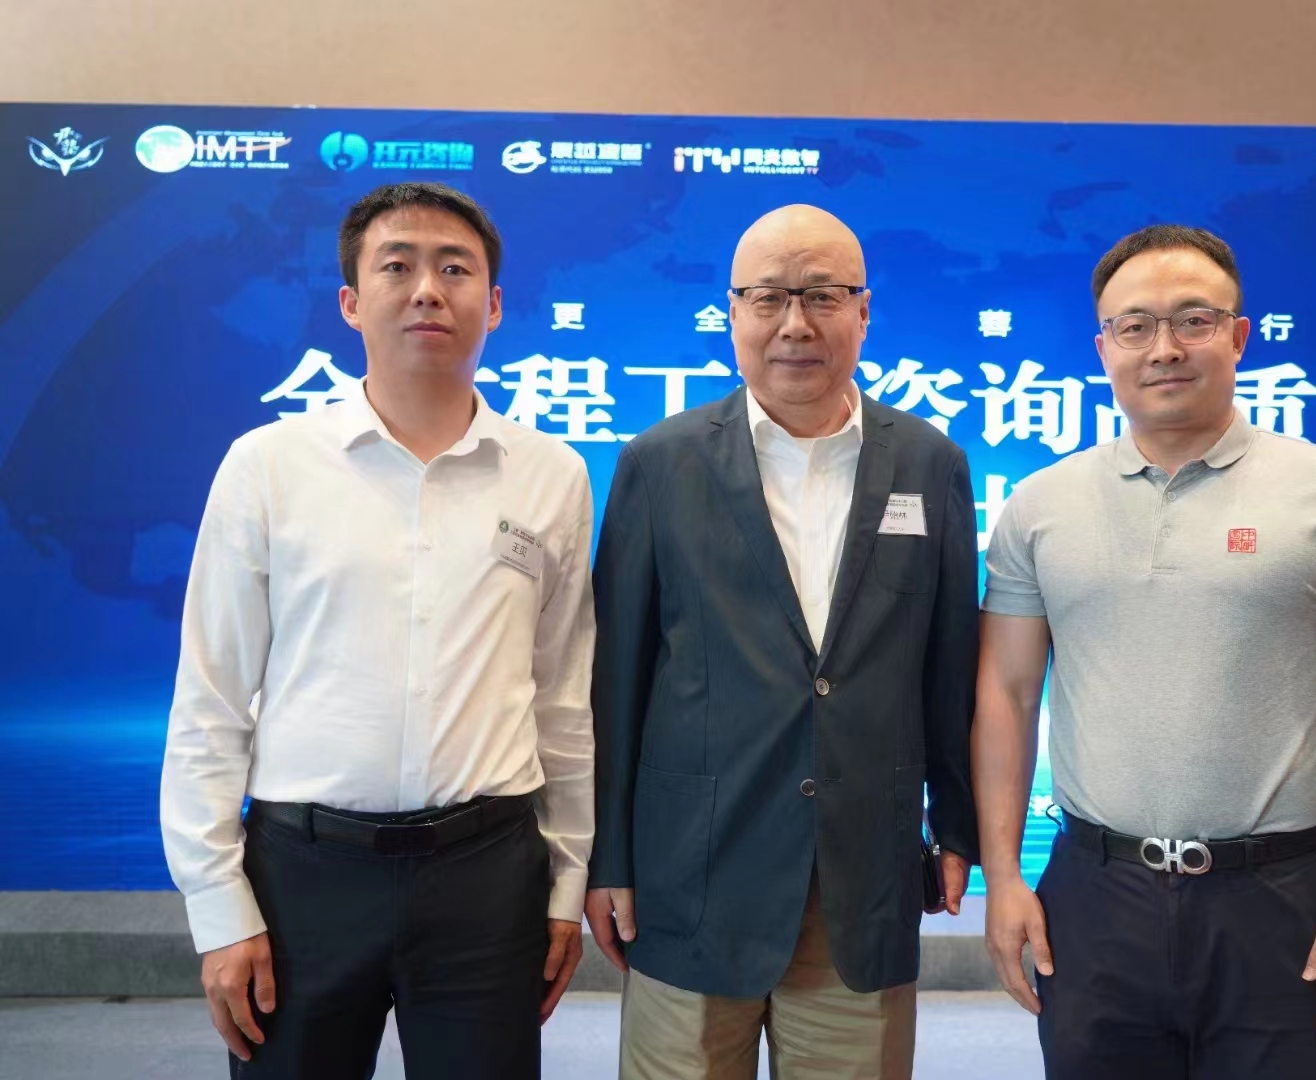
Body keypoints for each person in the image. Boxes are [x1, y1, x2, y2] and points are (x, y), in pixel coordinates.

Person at [975, 224, 1316, 1078]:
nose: (1164, 348)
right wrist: (1002, 877)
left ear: (1239, 336)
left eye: (1194, 320)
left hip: (1280, 897)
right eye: (1135, 326)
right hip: (1095, 892)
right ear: (1103, 348)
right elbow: (1006, 694)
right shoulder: (1040, 506)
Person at [160, 182, 595, 1078]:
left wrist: (567, 881)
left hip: (488, 878)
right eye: (397, 266)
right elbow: (212, 699)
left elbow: (562, 696)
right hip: (303, 877)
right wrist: (218, 906)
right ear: (352, 302)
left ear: (494, 305)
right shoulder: (267, 466)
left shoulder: (551, 474)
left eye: (454, 269)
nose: (427, 290)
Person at [586, 204, 979, 1079]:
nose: (795, 323)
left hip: (862, 881)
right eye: (768, 298)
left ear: (863, 313)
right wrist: (607, 856)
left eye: (822, 296)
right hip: (691, 877)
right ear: (732, 314)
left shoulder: (930, 463)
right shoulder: (659, 462)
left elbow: (948, 665)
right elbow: (616, 682)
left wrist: (956, 823)